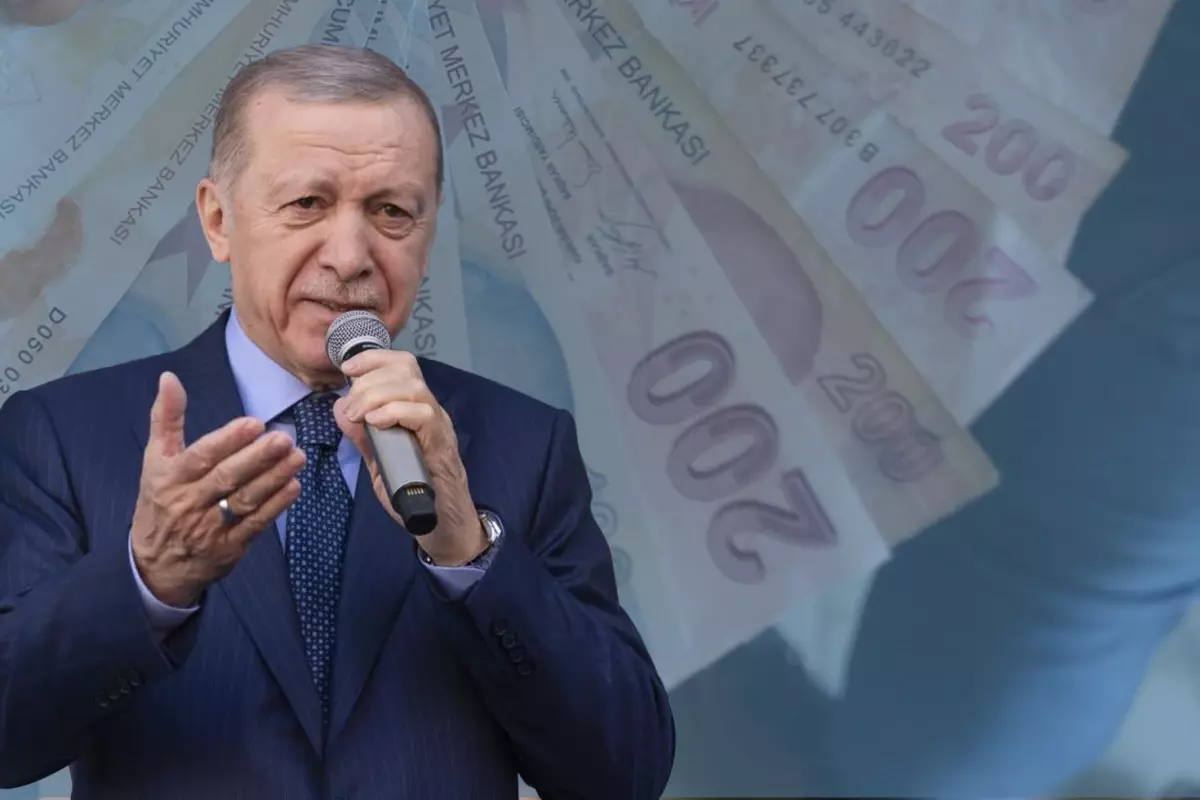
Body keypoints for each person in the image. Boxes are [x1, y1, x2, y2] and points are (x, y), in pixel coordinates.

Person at [0, 44, 674, 798]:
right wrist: (147, 581)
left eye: (391, 211)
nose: (350, 256)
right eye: (306, 204)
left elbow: (624, 771)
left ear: (428, 233)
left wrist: (469, 552)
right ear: (219, 221)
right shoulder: (63, 436)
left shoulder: (524, 444)